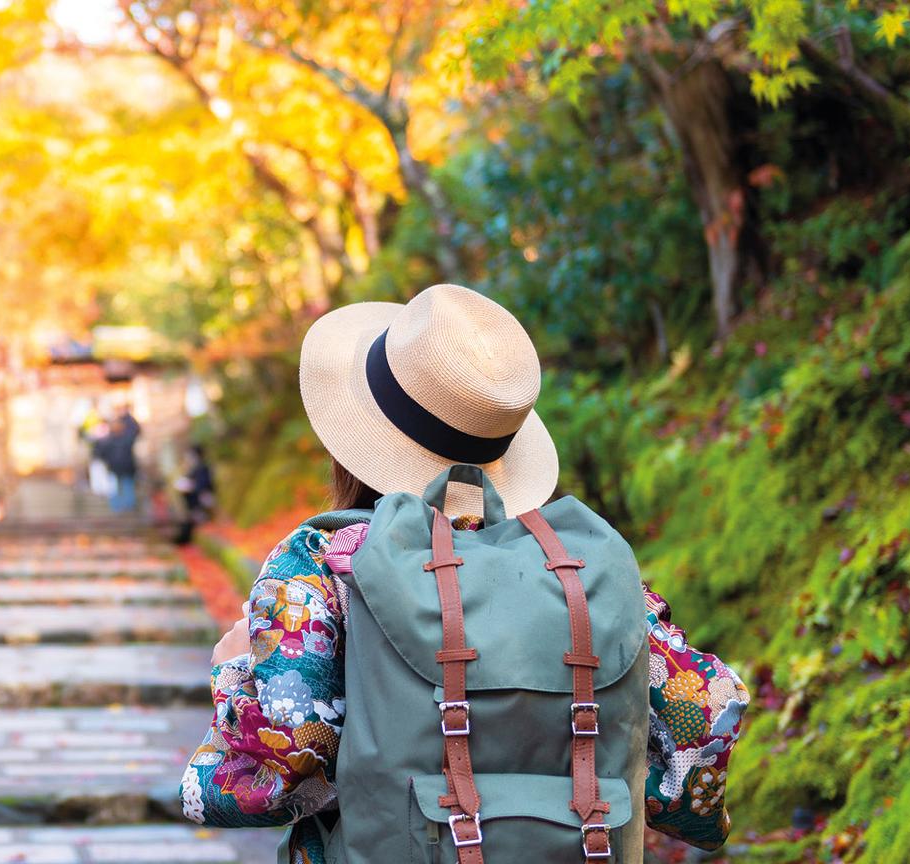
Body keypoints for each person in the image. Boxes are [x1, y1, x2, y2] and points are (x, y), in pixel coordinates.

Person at [179, 285, 747, 862]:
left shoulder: (326, 562)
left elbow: (284, 772)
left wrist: (232, 677)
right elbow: (709, 712)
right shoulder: (576, 575)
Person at [172, 443, 216, 544]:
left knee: (192, 516)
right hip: (192, 500)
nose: (188, 458)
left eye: (190, 455)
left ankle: (195, 524)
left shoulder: (203, 468)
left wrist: (191, 486)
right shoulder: (192, 469)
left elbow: (204, 485)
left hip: (200, 498)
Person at [100, 411, 141, 513]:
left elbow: (136, 430)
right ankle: (120, 508)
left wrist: (126, 416)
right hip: (119, 468)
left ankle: (123, 508)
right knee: (119, 489)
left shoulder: (120, 439)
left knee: (123, 488)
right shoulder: (113, 440)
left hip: (122, 468)